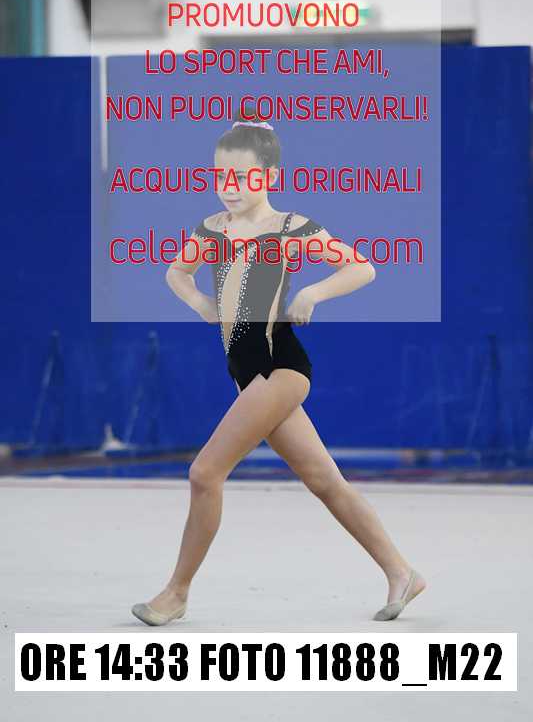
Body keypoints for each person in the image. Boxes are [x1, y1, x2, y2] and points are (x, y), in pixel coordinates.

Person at [131, 111, 426, 626]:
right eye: (220, 175)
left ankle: (176, 592)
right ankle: (402, 572)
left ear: (269, 176)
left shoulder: (290, 228)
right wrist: (199, 302)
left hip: (279, 368)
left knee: (205, 472)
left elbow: (362, 266)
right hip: (248, 374)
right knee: (324, 479)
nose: (229, 186)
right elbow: (176, 271)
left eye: (243, 176)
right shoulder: (212, 230)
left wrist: (313, 292)